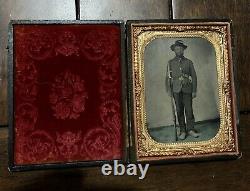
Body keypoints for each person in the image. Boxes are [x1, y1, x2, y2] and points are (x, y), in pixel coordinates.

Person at [166, 40, 200, 140]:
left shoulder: (189, 62)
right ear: (174, 50)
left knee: (189, 111)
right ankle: (182, 131)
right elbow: (168, 78)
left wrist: (194, 90)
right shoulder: (170, 63)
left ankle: (191, 129)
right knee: (179, 110)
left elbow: (194, 77)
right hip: (176, 90)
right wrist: (169, 90)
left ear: (183, 50)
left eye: (180, 48)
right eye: (177, 48)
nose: (179, 50)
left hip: (187, 89)